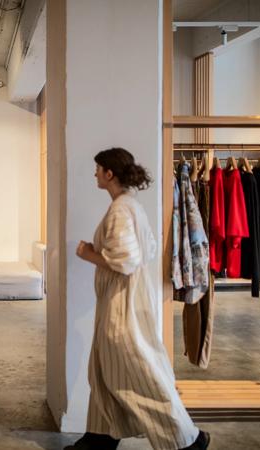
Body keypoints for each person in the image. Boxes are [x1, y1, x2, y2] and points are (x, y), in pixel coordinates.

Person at [67, 148, 210, 450]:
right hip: (124, 301)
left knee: (136, 373)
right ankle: (99, 438)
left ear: (110, 173)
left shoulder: (121, 209)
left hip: (123, 305)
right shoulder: (131, 206)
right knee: (106, 370)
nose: (95, 173)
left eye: (98, 168)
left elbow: (127, 260)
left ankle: (188, 440)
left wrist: (88, 253)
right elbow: (150, 248)